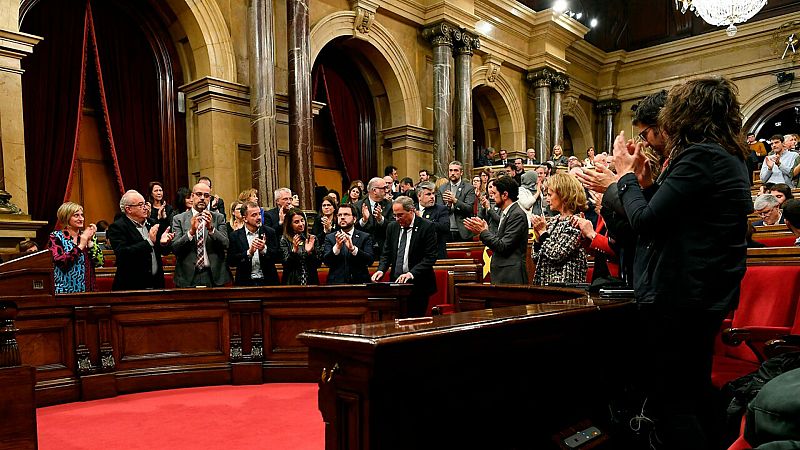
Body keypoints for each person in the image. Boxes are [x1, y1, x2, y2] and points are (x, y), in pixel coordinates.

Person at [612, 76, 753, 449]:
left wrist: (625, 178)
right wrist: (645, 186)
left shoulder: (700, 156)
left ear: (685, 114)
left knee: (674, 398)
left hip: (683, 294)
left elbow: (646, 222)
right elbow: (675, 214)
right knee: (694, 389)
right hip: (705, 291)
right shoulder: (728, 155)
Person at [371, 196, 438, 317]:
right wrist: (381, 270)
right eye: (395, 215)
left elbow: (430, 257)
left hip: (418, 285)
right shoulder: (392, 227)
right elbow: (386, 253)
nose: (397, 219)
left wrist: (411, 274)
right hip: (397, 285)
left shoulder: (426, 226)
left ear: (411, 211)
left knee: (415, 322)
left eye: (400, 215)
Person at [464, 175, 529, 284]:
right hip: (503, 274)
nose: (492, 197)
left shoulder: (516, 215)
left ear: (505, 195)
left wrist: (483, 232)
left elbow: (503, 246)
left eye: (494, 193)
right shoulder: (508, 213)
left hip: (511, 276)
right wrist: (485, 231)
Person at [107, 190, 175, 291]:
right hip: (131, 287)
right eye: (140, 205)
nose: (145, 207)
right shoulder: (117, 227)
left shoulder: (152, 223)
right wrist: (148, 242)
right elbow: (123, 254)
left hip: (156, 284)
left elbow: (164, 252)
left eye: (145, 204)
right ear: (128, 209)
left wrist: (163, 243)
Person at [530, 173, 587, 285]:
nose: (547, 199)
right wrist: (537, 239)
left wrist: (543, 233)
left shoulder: (576, 222)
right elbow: (536, 258)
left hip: (564, 286)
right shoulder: (553, 221)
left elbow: (556, 254)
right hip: (545, 285)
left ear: (563, 195)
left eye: (550, 195)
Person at [171, 182, 230, 287]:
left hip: (214, 276)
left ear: (210, 199)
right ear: (192, 196)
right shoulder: (179, 219)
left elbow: (226, 244)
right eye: (199, 194)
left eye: (206, 196)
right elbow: (175, 248)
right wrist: (191, 232)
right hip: (187, 276)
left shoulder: (218, 218)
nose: (202, 198)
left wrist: (211, 229)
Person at [48, 201, 103, 293]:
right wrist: (80, 246)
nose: (81, 218)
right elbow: (61, 262)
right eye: (76, 215)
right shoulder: (56, 237)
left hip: (88, 291)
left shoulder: (86, 236)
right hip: (65, 290)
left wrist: (90, 242)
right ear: (66, 217)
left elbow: (99, 262)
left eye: (82, 215)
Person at [227, 201, 280, 286]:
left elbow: (277, 256)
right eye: (254, 215)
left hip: (268, 282)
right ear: (245, 218)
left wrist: (264, 249)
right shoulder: (235, 236)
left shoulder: (270, 232)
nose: (259, 217)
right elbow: (231, 261)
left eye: (259, 214)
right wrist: (249, 253)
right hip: (245, 283)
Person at [323, 204, 375, 284]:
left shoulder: (365, 237)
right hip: (336, 285)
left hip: (360, 284)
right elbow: (326, 262)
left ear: (354, 219)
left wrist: (353, 249)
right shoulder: (330, 237)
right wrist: (337, 247)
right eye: (340, 215)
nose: (342, 217)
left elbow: (369, 261)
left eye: (346, 214)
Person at [280, 208, 322, 285]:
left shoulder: (312, 238)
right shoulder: (284, 240)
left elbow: (318, 264)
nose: (301, 224)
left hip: (310, 281)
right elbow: (286, 266)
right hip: (292, 282)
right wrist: (294, 251)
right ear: (290, 224)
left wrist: (309, 252)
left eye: (302, 220)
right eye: (296, 222)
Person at [437, 161, 476, 243]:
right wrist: (448, 205)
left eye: (455, 170)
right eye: (450, 170)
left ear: (461, 172)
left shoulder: (469, 188)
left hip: (463, 231)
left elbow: (469, 209)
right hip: (446, 231)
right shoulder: (442, 188)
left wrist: (455, 201)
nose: (452, 173)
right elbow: (439, 211)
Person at [355, 177, 393, 260]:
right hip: (363, 249)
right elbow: (353, 229)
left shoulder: (389, 205)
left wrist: (381, 219)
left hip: (383, 250)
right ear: (374, 190)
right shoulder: (358, 206)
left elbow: (393, 227)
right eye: (384, 188)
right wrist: (364, 220)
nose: (387, 190)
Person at [416, 181, 449, 259]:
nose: (432, 197)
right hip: (416, 255)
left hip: (435, 254)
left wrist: (421, 220)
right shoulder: (412, 209)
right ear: (419, 196)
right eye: (428, 194)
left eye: (433, 193)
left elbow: (444, 227)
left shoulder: (441, 209)